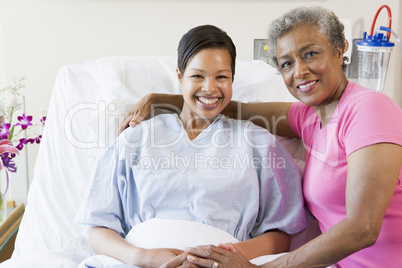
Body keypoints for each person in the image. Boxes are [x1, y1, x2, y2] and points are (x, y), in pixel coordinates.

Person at [120, 6, 402, 268]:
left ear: (340, 50)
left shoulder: (368, 108)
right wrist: (160, 100)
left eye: (310, 54)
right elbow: (235, 108)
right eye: (286, 64)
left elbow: (362, 228)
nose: (299, 71)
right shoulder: (308, 117)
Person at [76, 24, 307, 267]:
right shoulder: (135, 139)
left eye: (221, 77)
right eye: (197, 76)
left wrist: (219, 258)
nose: (210, 88)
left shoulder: (259, 143)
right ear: (180, 76)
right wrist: (143, 257)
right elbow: (98, 227)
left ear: (232, 79)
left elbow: (281, 235)